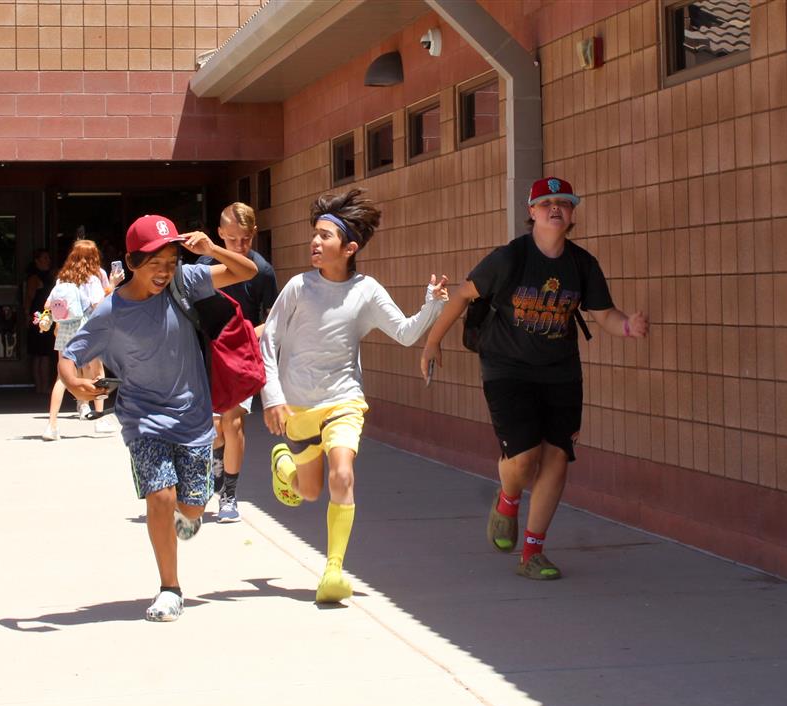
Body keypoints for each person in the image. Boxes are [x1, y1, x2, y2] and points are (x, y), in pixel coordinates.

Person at [419, 177, 649, 580]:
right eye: (546, 203)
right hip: (507, 368)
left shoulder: (582, 264)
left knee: (557, 457)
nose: (555, 208)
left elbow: (604, 315)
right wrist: (431, 343)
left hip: (561, 372)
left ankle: (533, 553)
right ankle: (508, 499)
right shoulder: (509, 258)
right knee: (524, 459)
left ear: (572, 213)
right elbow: (461, 296)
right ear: (531, 212)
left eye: (563, 203)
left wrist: (627, 326)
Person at [58, 215, 257, 622]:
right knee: (161, 497)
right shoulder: (110, 311)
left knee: (193, 508)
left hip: (194, 418)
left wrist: (211, 250)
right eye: (154, 262)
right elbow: (69, 355)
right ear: (132, 262)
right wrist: (74, 383)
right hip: (142, 417)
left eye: (171, 260)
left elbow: (247, 270)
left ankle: (189, 516)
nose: (164, 270)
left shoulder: (185, 282)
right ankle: (170, 587)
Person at [261, 188, 448, 603]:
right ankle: (285, 467)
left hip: (344, 400)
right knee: (308, 491)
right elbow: (267, 341)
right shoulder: (297, 287)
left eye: (325, 236)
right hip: (297, 404)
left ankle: (333, 570)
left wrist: (431, 305)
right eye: (315, 234)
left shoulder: (366, 290)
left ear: (349, 248)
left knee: (342, 475)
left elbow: (404, 333)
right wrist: (272, 396)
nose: (315, 242)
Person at [196, 202, 278, 523]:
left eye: (245, 239)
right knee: (215, 429)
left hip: (242, 355)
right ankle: (218, 468)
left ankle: (229, 496)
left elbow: (273, 320)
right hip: (209, 355)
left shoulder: (263, 271)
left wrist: (244, 335)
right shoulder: (205, 266)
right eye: (231, 239)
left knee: (233, 423)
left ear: (253, 235)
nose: (240, 246)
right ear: (219, 235)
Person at [41, 240, 121, 441]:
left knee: (62, 377)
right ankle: (99, 419)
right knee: (97, 374)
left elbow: (48, 304)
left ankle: (52, 426)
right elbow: (98, 306)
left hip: (65, 330)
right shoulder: (94, 278)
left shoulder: (63, 278)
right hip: (87, 330)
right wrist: (111, 286)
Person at [24, 249, 56, 393]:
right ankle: (41, 386)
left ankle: (43, 386)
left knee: (44, 353)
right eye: (44, 258)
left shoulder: (51, 276)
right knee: (41, 354)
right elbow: (29, 298)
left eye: (48, 258)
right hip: (39, 317)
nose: (47, 260)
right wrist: (27, 316)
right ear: (37, 261)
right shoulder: (34, 278)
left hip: (49, 316)